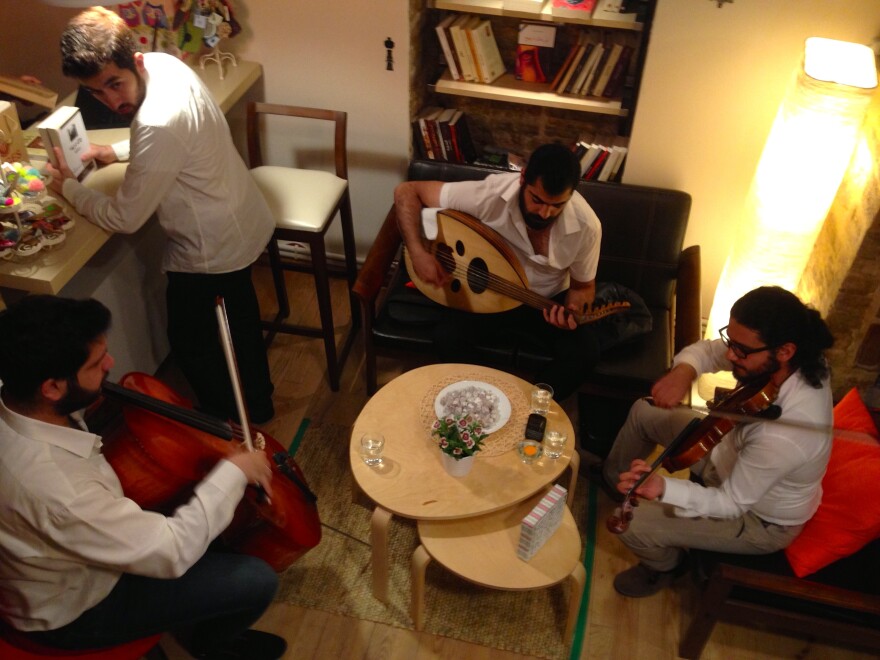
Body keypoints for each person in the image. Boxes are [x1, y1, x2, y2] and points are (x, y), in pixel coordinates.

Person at [0, 295, 285, 659]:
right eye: (96, 362)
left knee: (209, 523)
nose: (111, 363)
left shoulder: (17, 398)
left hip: (73, 553)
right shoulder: (59, 489)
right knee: (255, 580)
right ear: (52, 387)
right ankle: (215, 647)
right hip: (78, 607)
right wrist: (234, 472)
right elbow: (171, 552)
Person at [45, 7, 275, 424]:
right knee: (239, 323)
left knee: (191, 341)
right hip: (237, 213)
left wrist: (69, 188)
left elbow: (125, 217)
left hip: (212, 244)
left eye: (114, 84)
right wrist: (112, 151)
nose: (111, 101)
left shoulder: (156, 121)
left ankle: (224, 421)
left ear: (133, 62)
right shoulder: (165, 65)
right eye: (96, 93)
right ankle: (258, 402)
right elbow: (171, 146)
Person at [593, 285, 834, 598]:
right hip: (728, 451)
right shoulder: (783, 354)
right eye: (730, 341)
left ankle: (665, 567)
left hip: (758, 518)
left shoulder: (786, 435)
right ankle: (616, 482)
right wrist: (684, 372)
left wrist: (663, 487)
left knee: (630, 525)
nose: (731, 354)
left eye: (741, 351)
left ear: (785, 351)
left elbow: (730, 503)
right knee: (643, 412)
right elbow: (708, 351)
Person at [394, 142, 603, 403]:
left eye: (557, 205)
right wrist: (418, 252)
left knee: (586, 352)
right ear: (523, 178)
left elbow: (583, 288)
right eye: (537, 200)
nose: (545, 212)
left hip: (545, 302)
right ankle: (487, 401)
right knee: (447, 337)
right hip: (488, 292)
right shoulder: (489, 195)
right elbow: (407, 191)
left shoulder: (587, 226)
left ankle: (530, 410)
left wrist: (571, 311)